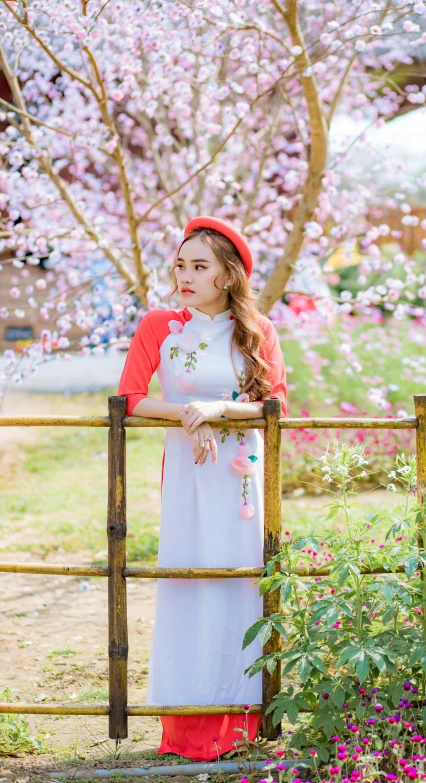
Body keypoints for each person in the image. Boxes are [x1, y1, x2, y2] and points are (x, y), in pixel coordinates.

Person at [117, 216, 287, 761]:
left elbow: (275, 405)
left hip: (242, 480)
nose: (184, 275)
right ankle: (188, 725)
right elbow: (131, 398)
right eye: (180, 265)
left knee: (242, 585)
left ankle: (242, 718)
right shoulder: (160, 327)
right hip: (189, 477)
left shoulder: (257, 331)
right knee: (189, 582)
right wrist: (192, 417)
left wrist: (217, 408)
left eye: (199, 266)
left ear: (229, 275)